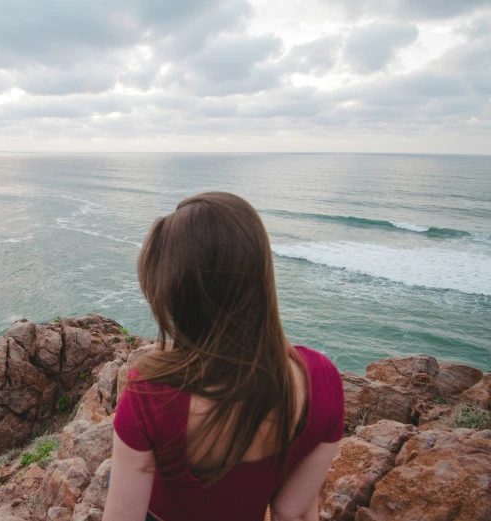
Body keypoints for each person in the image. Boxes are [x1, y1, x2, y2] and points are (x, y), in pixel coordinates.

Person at [103, 192, 344, 521]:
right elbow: (294, 510)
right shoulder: (322, 379)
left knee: (112, 476)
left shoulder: (151, 395)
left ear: (178, 293)